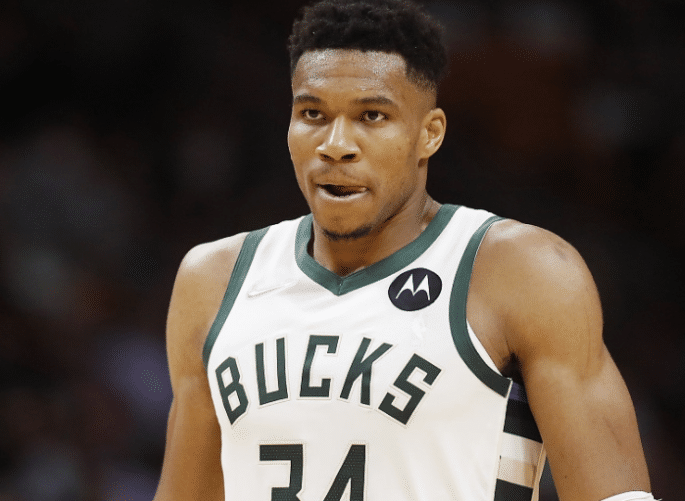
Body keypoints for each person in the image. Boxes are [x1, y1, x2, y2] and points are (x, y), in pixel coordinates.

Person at [153, 0, 655, 500]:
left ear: (429, 134)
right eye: (312, 114)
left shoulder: (522, 271)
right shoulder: (214, 281)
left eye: (371, 116)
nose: (335, 144)